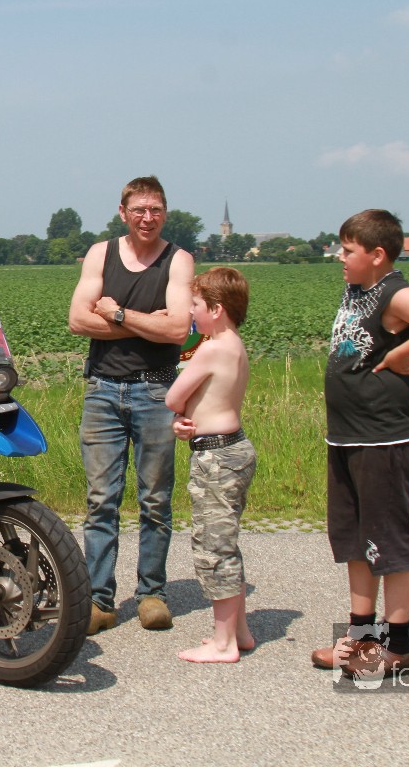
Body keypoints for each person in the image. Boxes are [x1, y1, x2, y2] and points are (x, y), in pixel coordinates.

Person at [310, 209, 409, 678]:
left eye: (348, 250)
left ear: (377, 255)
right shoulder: (358, 290)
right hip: (347, 436)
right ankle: (361, 639)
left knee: (390, 540)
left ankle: (397, 646)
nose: (340, 257)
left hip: (385, 438)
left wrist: (403, 351)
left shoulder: (395, 293)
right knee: (356, 540)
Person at [68, 175, 195, 634]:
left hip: (157, 390)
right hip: (103, 390)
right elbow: (77, 320)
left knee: (155, 499)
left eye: (155, 209)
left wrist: (116, 313)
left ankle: (151, 594)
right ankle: (99, 599)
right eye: (139, 209)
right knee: (101, 499)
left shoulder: (178, 259)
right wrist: (146, 324)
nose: (147, 217)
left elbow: (178, 330)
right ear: (123, 213)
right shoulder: (100, 254)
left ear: (165, 212)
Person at [164, 267, 257, 663]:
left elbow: (174, 396)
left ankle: (224, 643)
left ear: (216, 309)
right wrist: (186, 421)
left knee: (214, 547)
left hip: (216, 457)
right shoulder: (235, 344)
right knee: (226, 540)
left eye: (196, 305)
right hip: (233, 448)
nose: (191, 311)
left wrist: (179, 413)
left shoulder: (212, 348)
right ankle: (239, 631)